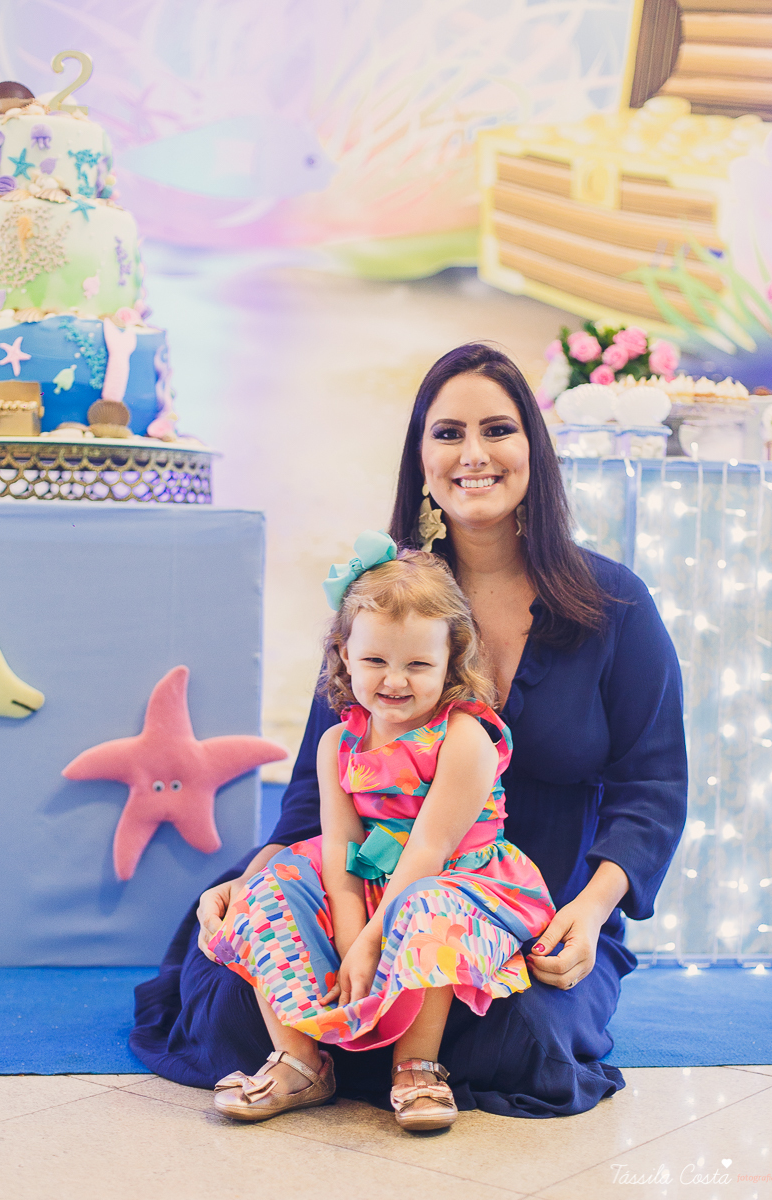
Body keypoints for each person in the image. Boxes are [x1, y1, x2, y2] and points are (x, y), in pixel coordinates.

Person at [131, 342, 687, 1119]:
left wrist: (592, 910)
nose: (474, 454)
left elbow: (652, 787)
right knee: (231, 1002)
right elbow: (317, 792)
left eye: (498, 429)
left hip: (533, 903)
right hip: (367, 886)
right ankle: (323, 1057)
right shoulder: (382, 602)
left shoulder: (613, 604)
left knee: (522, 1039)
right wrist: (256, 876)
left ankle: (401, 1055)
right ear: (421, 458)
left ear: (534, 447)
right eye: (448, 433)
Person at [206, 533, 554, 1129]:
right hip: (372, 878)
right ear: (344, 654)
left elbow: (430, 849)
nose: (395, 680)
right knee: (267, 885)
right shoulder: (336, 742)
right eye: (375, 661)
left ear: (452, 658)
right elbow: (340, 850)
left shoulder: (464, 737)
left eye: (418, 664)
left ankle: (417, 1066)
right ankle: (299, 1060)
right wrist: (350, 939)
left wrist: (372, 942)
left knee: (425, 904)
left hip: (459, 881)